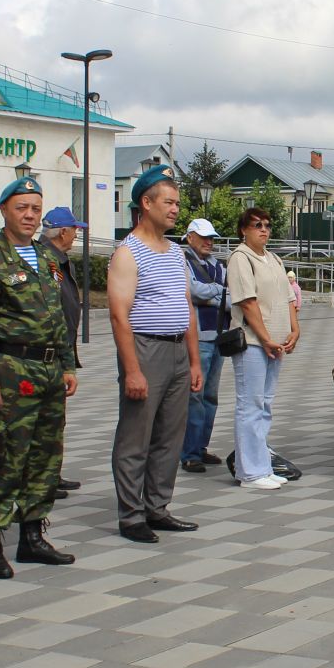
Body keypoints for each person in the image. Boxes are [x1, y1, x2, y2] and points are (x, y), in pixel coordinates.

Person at [0, 175, 79, 577]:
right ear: (3, 211)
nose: (29, 216)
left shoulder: (47, 259)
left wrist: (66, 364)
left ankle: (32, 535)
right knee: (1, 458)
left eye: (34, 209)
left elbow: (58, 317)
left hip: (48, 372)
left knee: (45, 457)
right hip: (10, 374)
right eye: (21, 208)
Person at [108, 166, 204, 542]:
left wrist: (195, 360)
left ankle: (158, 507)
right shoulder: (128, 253)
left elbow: (186, 306)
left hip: (178, 350)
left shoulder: (175, 251)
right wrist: (132, 370)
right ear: (145, 203)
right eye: (169, 202)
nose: (176, 209)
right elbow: (118, 315)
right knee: (136, 435)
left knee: (169, 435)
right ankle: (131, 516)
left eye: (178, 203)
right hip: (145, 349)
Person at [227, 207, 298, 490]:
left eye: (267, 225)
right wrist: (266, 337)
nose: (264, 229)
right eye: (257, 225)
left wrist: (295, 329)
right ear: (244, 229)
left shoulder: (274, 258)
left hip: (276, 342)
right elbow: (247, 302)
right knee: (250, 404)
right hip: (254, 342)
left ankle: (262, 465)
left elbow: (289, 297)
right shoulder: (240, 258)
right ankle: (249, 472)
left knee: (265, 404)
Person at [37, 205, 88, 493]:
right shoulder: (46, 259)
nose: (76, 235)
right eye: (74, 230)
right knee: (46, 419)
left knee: (55, 419)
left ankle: (51, 474)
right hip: (47, 353)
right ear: (63, 231)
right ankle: (43, 479)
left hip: (60, 349)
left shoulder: (59, 258)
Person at [181, 217, 227, 474]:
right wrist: (217, 293)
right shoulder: (183, 261)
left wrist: (211, 294)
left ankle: (201, 447)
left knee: (210, 397)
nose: (209, 242)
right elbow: (191, 291)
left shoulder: (219, 265)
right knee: (195, 396)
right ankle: (189, 453)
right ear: (190, 238)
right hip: (198, 338)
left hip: (219, 336)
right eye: (204, 237)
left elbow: (234, 297)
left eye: (212, 238)